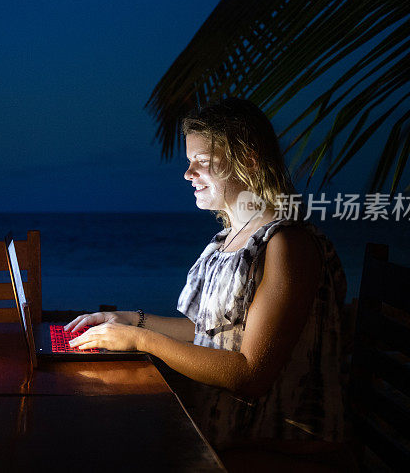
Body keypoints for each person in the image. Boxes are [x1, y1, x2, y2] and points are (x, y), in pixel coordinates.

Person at [65, 98, 349, 470]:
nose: (187, 173)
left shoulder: (286, 244)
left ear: (247, 158)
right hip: (227, 419)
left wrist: (141, 341)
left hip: (276, 437)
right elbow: (210, 334)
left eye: (201, 161)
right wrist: (131, 321)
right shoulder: (230, 239)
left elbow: (249, 374)